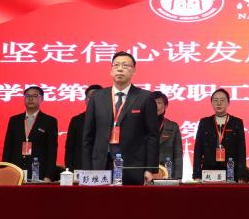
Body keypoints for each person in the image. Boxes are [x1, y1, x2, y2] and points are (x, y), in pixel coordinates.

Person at [82, 52, 160, 184]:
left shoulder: (145, 97)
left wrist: (149, 169)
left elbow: (152, 135)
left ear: (134, 70)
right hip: (101, 163)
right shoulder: (97, 97)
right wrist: (86, 169)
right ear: (111, 70)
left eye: (125, 65)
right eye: (116, 65)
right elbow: (88, 136)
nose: (120, 69)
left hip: (133, 165)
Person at [1, 85, 59, 181]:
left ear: (42, 99)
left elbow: (52, 151)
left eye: (35, 96)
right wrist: (5, 170)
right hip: (15, 170)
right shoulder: (14, 120)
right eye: (27, 96)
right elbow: (8, 148)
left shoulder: (49, 121)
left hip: (38, 170)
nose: (30, 99)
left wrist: (48, 176)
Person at [192, 88, 248, 181]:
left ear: (228, 103)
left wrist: (241, 175)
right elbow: (198, 149)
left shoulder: (237, 123)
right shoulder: (204, 122)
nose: (219, 103)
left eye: (222, 100)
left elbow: (241, 150)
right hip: (209, 171)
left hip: (231, 171)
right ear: (211, 103)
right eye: (215, 100)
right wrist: (197, 174)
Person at [64, 85, 102, 172]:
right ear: (85, 100)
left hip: (103, 169)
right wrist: (69, 170)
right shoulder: (76, 120)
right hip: (80, 168)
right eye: (90, 97)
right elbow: (70, 147)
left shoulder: (111, 120)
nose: (93, 100)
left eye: (97, 97)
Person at [152, 92, 184, 179]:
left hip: (167, 172)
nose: (156, 106)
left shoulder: (173, 126)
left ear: (165, 106)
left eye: (159, 103)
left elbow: (178, 155)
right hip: (145, 173)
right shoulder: (141, 125)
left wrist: (178, 177)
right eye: (153, 103)